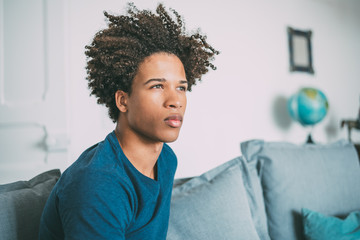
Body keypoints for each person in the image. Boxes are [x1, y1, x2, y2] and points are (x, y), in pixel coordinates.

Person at [39, 3, 218, 239]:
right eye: (157, 86)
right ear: (123, 101)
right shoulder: (98, 184)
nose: (176, 101)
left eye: (181, 88)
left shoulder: (165, 159)